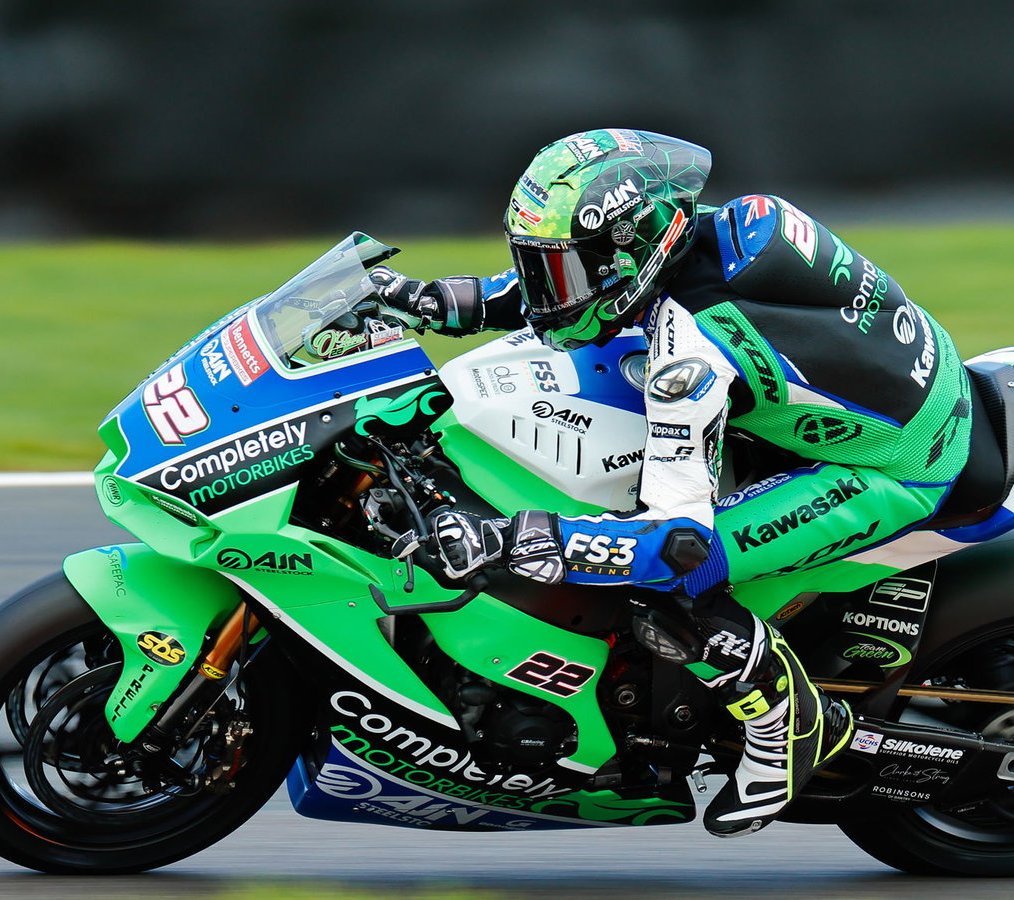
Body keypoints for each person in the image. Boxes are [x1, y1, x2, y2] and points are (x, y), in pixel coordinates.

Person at [370, 128, 972, 837]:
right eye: (541, 268)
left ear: (639, 249)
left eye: (559, 271)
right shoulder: (738, 222)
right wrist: (435, 301)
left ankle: (789, 724)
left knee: (670, 589)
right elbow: (572, 299)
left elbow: (679, 542)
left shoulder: (687, 364)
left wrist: (520, 537)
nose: (547, 291)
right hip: (906, 389)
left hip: (889, 469)